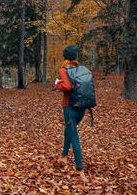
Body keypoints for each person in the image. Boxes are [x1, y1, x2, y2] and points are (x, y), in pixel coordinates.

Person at [55, 45, 88, 182]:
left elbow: (67, 87)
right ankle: (63, 155)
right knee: (69, 130)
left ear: (65, 56)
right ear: (75, 56)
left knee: (73, 135)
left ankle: (80, 168)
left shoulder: (63, 70)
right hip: (82, 107)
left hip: (69, 107)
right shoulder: (82, 69)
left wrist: (57, 84)